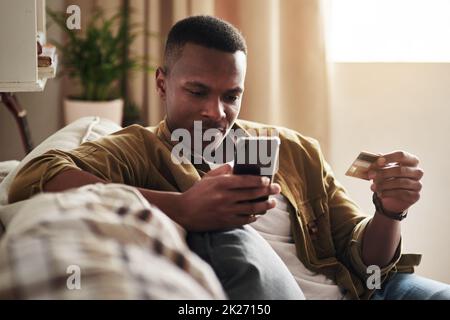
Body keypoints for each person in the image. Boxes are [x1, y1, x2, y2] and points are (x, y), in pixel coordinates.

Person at [8, 16, 450, 300]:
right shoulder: (138, 149)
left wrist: (388, 212)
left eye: (231, 96)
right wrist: (183, 208)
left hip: (356, 292)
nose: (214, 112)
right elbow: (36, 177)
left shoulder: (295, 150)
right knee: (233, 239)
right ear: (162, 84)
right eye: (197, 91)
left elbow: (366, 261)